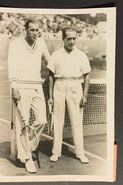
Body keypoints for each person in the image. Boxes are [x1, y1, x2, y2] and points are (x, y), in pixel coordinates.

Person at [8, 18, 50, 173]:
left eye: (37, 30)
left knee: (42, 120)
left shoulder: (42, 43)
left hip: (37, 87)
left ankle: (29, 146)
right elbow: (11, 65)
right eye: (32, 30)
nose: (35, 33)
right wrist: (14, 87)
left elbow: (49, 61)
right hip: (21, 86)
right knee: (22, 125)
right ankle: (26, 158)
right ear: (25, 30)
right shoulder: (15, 44)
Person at [47, 27, 91, 164]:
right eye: (69, 39)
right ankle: (56, 152)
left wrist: (84, 96)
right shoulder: (56, 55)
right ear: (63, 39)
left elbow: (87, 76)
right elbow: (50, 76)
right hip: (59, 85)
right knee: (58, 120)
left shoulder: (81, 55)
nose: (72, 41)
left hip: (75, 86)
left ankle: (80, 153)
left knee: (77, 121)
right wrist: (50, 96)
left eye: (74, 38)